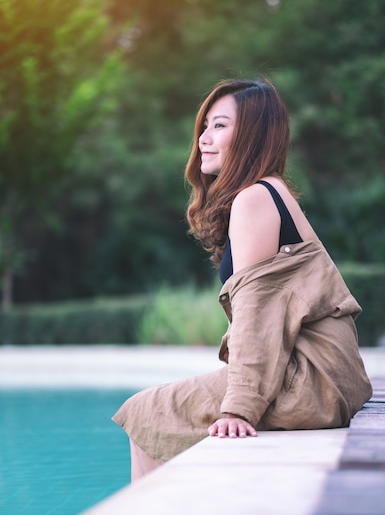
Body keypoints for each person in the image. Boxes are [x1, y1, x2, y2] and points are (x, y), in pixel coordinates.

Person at [112, 78, 372, 481]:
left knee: (146, 413)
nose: (203, 138)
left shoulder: (255, 198)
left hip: (312, 383)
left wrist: (239, 407)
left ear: (252, 136)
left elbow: (258, 315)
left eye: (219, 125)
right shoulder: (271, 191)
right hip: (329, 377)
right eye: (204, 126)